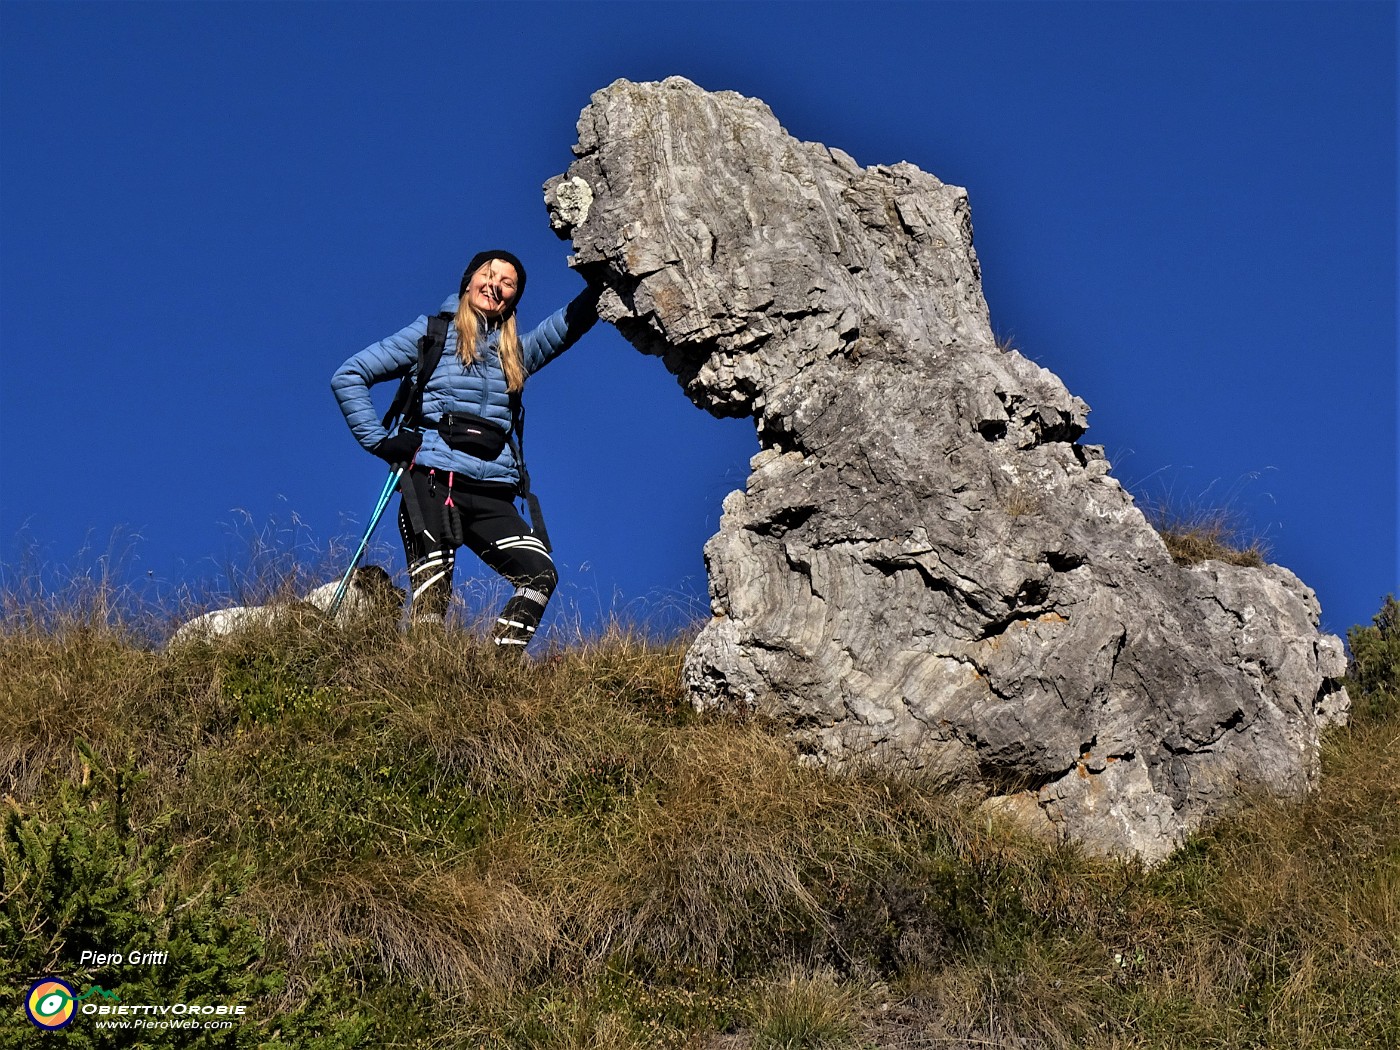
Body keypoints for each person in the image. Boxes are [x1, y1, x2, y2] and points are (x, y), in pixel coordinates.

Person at [332, 250, 600, 652]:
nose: (495, 285)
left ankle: (493, 674)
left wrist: (604, 284)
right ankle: (424, 683)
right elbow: (349, 375)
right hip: (432, 482)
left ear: (513, 299)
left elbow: (566, 326)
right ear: (468, 282)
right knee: (433, 594)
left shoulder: (515, 354)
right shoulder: (431, 334)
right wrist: (380, 440)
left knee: (540, 575)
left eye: (507, 283)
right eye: (487, 274)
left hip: (493, 493)